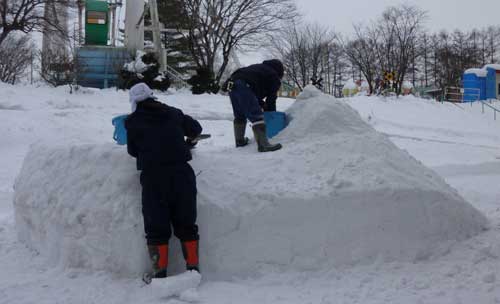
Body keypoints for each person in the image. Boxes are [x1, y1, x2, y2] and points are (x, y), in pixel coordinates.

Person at [125, 83, 202, 281]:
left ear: (135, 102)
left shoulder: (132, 122)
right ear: (152, 96)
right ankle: (193, 270)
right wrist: (188, 142)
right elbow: (196, 128)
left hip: (154, 177)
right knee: (187, 223)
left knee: (156, 226)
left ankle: (160, 274)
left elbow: (133, 151)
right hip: (182, 173)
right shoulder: (173, 113)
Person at [227, 59, 284, 152]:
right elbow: (271, 99)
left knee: (240, 115)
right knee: (257, 115)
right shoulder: (273, 75)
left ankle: (239, 141)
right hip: (243, 85)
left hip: (231, 84)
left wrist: (262, 104)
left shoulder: (259, 69)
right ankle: (263, 145)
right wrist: (270, 113)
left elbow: (253, 95)